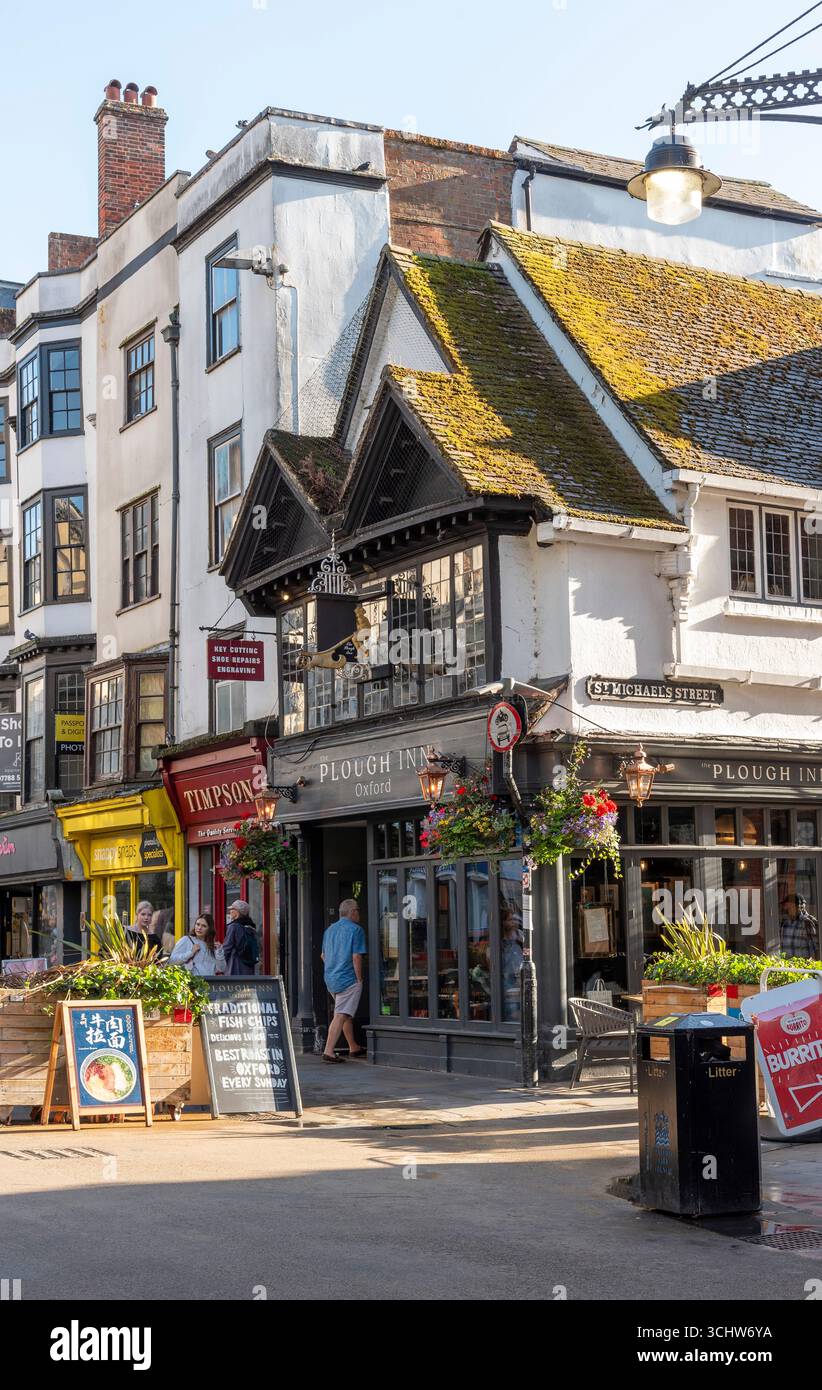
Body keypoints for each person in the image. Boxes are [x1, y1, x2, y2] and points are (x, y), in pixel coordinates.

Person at [321, 899, 367, 1063]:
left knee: (344, 1012)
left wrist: (333, 968)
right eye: (358, 911)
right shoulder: (356, 930)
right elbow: (356, 956)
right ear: (353, 912)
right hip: (348, 979)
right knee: (341, 1014)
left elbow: (323, 956)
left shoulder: (329, 930)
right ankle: (329, 1051)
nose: (359, 914)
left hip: (331, 979)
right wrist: (359, 978)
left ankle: (353, 1047)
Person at [223, 900, 259, 976]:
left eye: (232, 909)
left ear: (237, 912)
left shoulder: (233, 926)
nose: (230, 911)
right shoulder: (251, 927)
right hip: (249, 967)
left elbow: (227, 948)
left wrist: (222, 962)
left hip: (234, 966)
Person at [780, 894, 819, 959]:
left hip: (803, 967)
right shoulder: (785, 923)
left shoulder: (808, 922)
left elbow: (816, 949)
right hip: (787, 967)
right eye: (785, 906)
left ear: (796, 906)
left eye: (787, 905)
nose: (785, 908)